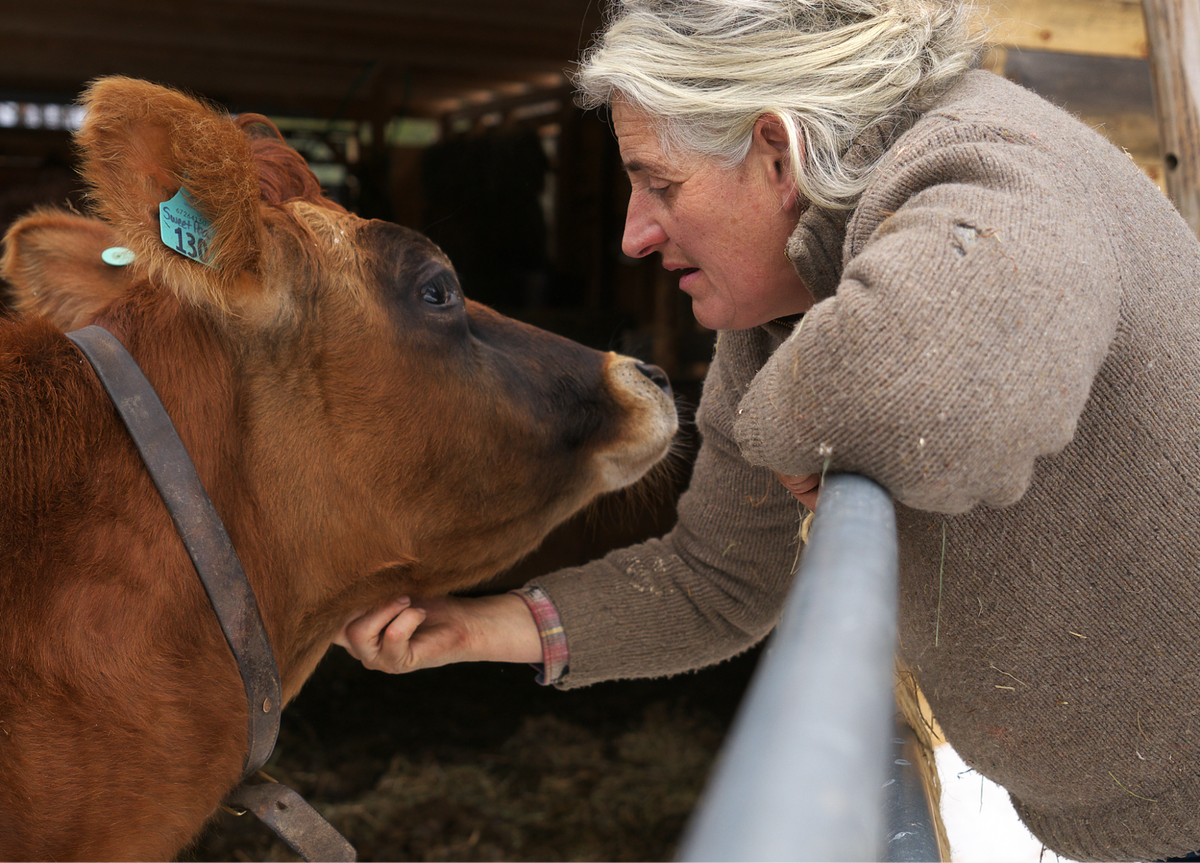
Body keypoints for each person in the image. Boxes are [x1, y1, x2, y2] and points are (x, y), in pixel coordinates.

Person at [336, 1, 1200, 860]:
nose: (634, 235)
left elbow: (920, 405)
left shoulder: (994, 167)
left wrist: (785, 428)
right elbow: (716, 577)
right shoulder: (791, 291)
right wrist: (473, 629)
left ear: (777, 154)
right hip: (1126, 815)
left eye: (660, 184)